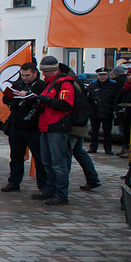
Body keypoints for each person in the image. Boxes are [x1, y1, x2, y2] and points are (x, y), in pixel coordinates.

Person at [1, 61, 48, 195]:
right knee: (15, 156)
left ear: (35, 73)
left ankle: (43, 186)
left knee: (39, 158)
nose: (25, 78)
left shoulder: (41, 86)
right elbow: (5, 99)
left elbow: (42, 102)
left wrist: (28, 96)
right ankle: (14, 182)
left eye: (27, 75)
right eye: (23, 75)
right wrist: (13, 96)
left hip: (33, 127)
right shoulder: (17, 84)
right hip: (16, 125)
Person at [36, 55, 75, 206]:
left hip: (57, 127)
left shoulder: (64, 84)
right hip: (46, 126)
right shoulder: (49, 84)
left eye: (46, 72)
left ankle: (61, 194)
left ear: (53, 70)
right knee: (47, 162)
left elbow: (66, 104)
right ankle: (50, 191)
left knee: (58, 163)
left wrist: (45, 101)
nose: (44, 74)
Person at [86, 68, 117, 154]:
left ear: (107, 75)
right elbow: (88, 99)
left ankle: (108, 148)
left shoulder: (113, 86)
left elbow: (115, 99)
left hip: (108, 111)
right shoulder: (92, 86)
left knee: (107, 131)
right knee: (94, 131)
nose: (102, 77)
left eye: (104, 75)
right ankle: (93, 147)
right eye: (100, 75)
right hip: (95, 112)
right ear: (97, 76)